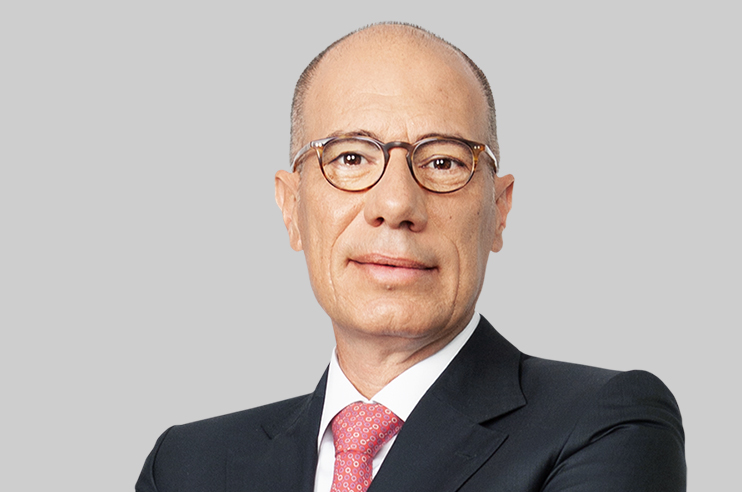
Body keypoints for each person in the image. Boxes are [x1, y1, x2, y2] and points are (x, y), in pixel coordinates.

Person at [136, 23, 686, 492]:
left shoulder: (606, 426)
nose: (396, 204)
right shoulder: (188, 467)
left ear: (498, 211)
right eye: (350, 158)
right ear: (291, 208)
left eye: (443, 162)